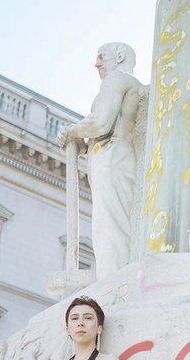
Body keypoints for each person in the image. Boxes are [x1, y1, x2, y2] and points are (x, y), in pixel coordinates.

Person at [57, 43, 145, 276]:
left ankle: (114, 282)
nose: (96, 63)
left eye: (101, 57)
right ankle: (113, 279)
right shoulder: (125, 84)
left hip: (113, 158)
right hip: (112, 158)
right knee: (107, 227)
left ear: (119, 56)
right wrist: (82, 144)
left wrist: (73, 130)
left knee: (110, 228)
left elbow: (102, 121)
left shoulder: (117, 79)